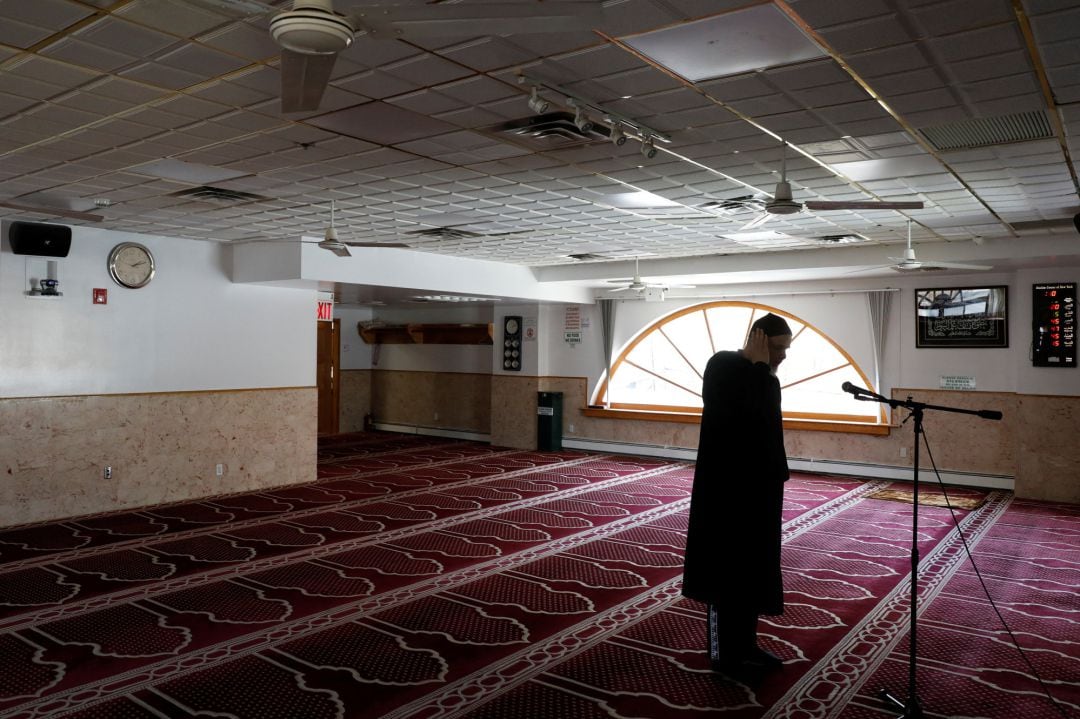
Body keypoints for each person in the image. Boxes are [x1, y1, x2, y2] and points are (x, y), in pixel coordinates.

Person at [682, 312, 793, 674]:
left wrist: (764, 371)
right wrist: (762, 369)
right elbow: (741, 415)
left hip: (756, 493)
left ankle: (745, 647)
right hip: (724, 495)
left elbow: (765, 428)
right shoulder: (724, 366)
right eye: (778, 348)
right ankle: (722, 656)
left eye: (786, 349)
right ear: (758, 338)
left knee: (750, 574)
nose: (782, 356)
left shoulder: (764, 377)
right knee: (723, 577)